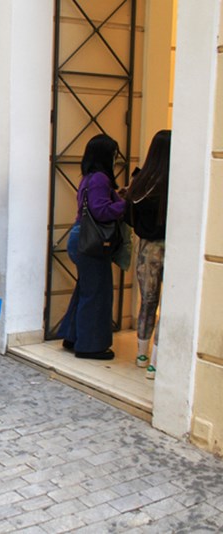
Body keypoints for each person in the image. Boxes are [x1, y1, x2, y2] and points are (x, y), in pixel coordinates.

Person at [58, 134, 126, 360]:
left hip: (81, 238)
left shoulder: (89, 178)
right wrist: (125, 206)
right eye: (113, 154)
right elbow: (101, 211)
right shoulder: (100, 179)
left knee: (86, 289)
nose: (116, 159)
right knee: (97, 293)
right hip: (91, 242)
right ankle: (90, 346)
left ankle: (73, 336)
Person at [126, 130, 171, 379]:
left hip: (146, 249)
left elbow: (129, 215)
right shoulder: (174, 182)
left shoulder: (142, 183)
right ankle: (156, 361)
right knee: (168, 306)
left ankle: (141, 355)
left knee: (148, 302)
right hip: (172, 247)